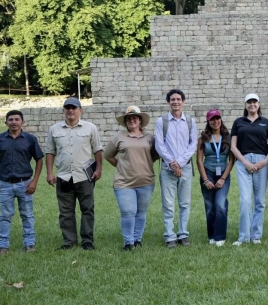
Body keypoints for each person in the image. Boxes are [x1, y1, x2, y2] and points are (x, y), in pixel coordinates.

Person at [45, 97, 103, 250]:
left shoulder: (90, 128)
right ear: (63, 110)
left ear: (80, 110)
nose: (70, 110)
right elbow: (50, 152)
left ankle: (87, 240)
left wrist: (99, 169)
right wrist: (49, 173)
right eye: (68, 108)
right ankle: (69, 241)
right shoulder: (54, 129)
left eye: (74, 108)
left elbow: (97, 149)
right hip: (64, 176)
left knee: (87, 209)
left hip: (84, 177)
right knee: (65, 211)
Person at [0, 110, 44, 255]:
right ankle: (2, 246)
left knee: (27, 215)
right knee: (5, 216)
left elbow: (39, 159)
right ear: (6, 122)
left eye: (17, 119)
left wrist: (34, 182)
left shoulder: (30, 139)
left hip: (25, 184)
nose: (14, 122)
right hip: (5, 185)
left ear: (22, 122)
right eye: (10, 120)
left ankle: (29, 244)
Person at [104, 106, 158, 251]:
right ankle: (128, 242)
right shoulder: (118, 137)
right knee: (128, 212)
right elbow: (108, 155)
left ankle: (137, 239)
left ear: (140, 121)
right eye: (129, 118)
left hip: (146, 181)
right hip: (124, 182)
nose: (132, 120)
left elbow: (154, 156)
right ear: (125, 121)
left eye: (135, 118)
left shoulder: (150, 138)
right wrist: (121, 166)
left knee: (141, 212)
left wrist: (143, 164)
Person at [154, 89, 198, 248]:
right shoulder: (162, 121)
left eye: (178, 99)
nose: (176, 102)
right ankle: (169, 235)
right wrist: (172, 163)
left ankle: (183, 234)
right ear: (168, 102)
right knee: (168, 203)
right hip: (167, 169)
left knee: (185, 203)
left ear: (183, 102)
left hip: (185, 168)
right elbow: (159, 145)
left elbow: (193, 145)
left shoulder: (190, 122)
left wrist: (179, 163)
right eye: (172, 99)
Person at [230, 93, 268, 245]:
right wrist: (245, 162)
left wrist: (265, 161)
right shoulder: (238, 122)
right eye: (249, 102)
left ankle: (256, 235)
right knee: (245, 200)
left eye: (254, 102)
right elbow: (233, 146)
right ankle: (244, 236)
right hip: (243, 162)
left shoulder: (266, 123)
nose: (252, 104)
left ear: (259, 104)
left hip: (262, 162)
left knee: (260, 201)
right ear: (245, 105)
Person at [197, 109, 235, 247]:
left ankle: (220, 237)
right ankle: (211, 236)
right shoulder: (203, 138)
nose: (215, 121)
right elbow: (199, 161)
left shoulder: (228, 137)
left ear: (221, 120)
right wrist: (206, 179)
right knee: (210, 206)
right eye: (212, 119)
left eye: (217, 118)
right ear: (208, 121)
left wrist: (223, 178)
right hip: (208, 172)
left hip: (223, 173)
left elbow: (232, 160)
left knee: (220, 204)